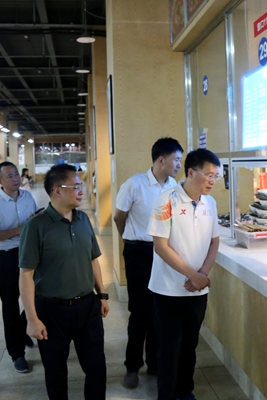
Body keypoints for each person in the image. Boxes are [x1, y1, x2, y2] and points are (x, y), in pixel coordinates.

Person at [19, 164, 110, 400]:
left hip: (87, 307)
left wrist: (101, 294)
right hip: (52, 311)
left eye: (80, 185)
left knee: (96, 368)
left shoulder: (83, 219)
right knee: (56, 373)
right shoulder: (36, 226)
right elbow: (26, 274)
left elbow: (93, 259)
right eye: (76, 186)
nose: (81, 190)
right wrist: (32, 319)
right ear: (57, 190)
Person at [147, 148, 221, 400]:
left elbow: (214, 242)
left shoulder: (210, 203)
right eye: (208, 175)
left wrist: (202, 274)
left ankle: (185, 391)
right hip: (167, 289)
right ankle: (166, 395)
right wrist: (193, 275)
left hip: (197, 290)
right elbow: (161, 246)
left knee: (190, 345)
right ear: (191, 172)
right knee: (169, 348)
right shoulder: (166, 200)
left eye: (216, 176)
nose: (212, 181)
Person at [113, 137, 184, 388]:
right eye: (176, 159)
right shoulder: (134, 184)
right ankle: (132, 366)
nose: (179, 164)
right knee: (140, 312)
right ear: (161, 160)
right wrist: (130, 240)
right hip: (139, 252)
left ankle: (154, 363)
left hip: (163, 252)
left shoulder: (174, 186)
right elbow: (119, 217)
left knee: (159, 309)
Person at [0, 162, 37, 373]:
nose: (16, 179)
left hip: (29, 254)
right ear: (0, 181)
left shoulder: (27, 197)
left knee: (38, 297)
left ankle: (21, 329)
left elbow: (35, 223)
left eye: (16, 174)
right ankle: (17, 354)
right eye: (10, 176)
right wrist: (19, 230)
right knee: (10, 306)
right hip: (6, 256)